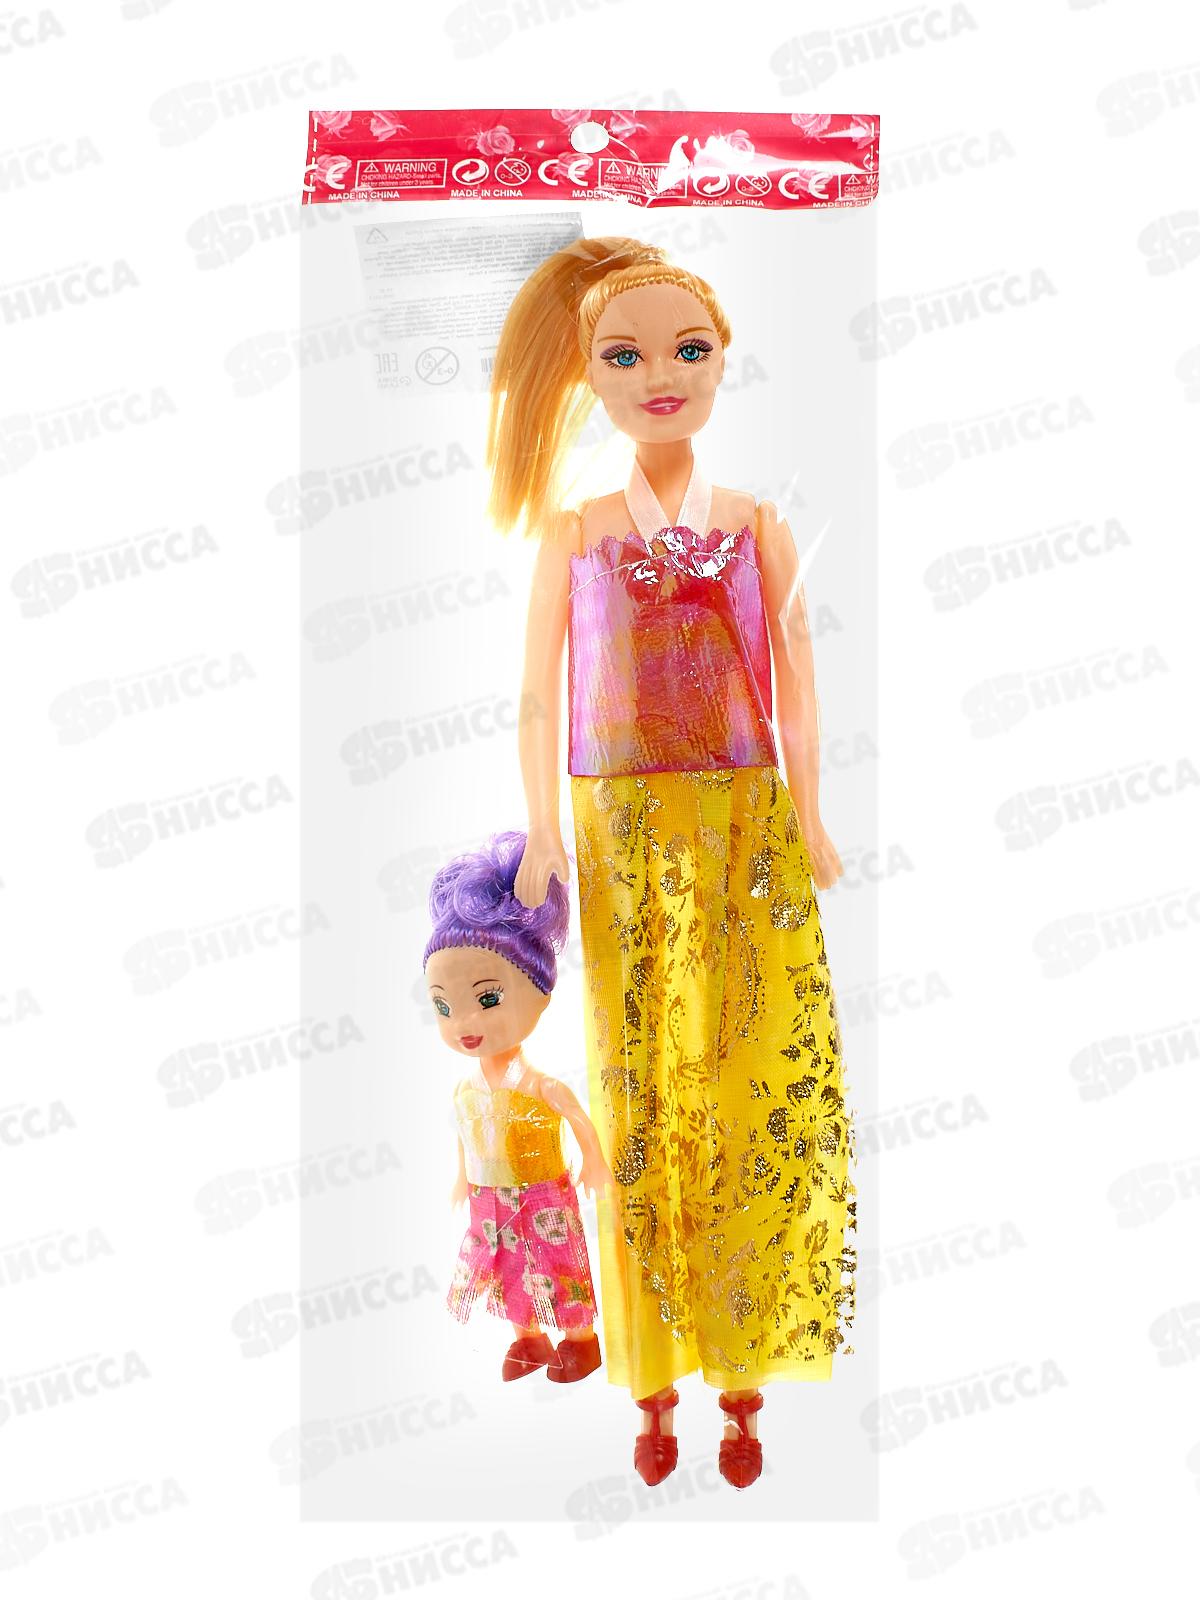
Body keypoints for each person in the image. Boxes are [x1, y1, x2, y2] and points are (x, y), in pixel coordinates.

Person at [485, 237, 856, 1488]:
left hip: (745, 818)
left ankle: (744, 1365)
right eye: (625, 356)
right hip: (622, 828)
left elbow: (795, 677)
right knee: (639, 1082)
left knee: (748, 1070)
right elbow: (539, 690)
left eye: (688, 350)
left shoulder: (755, 523)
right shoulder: (578, 530)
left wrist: (811, 812)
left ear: (721, 360)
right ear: (588, 374)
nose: (661, 376)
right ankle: (654, 1375)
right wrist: (542, 823)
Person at [424, 829, 612, 1384]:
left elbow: (576, 1116)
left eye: (487, 999)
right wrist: (461, 1179)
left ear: (540, 991)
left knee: (558, 1264)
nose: (465, 1023)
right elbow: (465, 1136)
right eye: (443, 1007)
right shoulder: (465, 1091)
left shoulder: (538, 1085)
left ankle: (580, 1339)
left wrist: (594, 1161)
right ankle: (526, 1337)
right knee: (505, 1267)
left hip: (542, 1193)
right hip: (489, 1197)